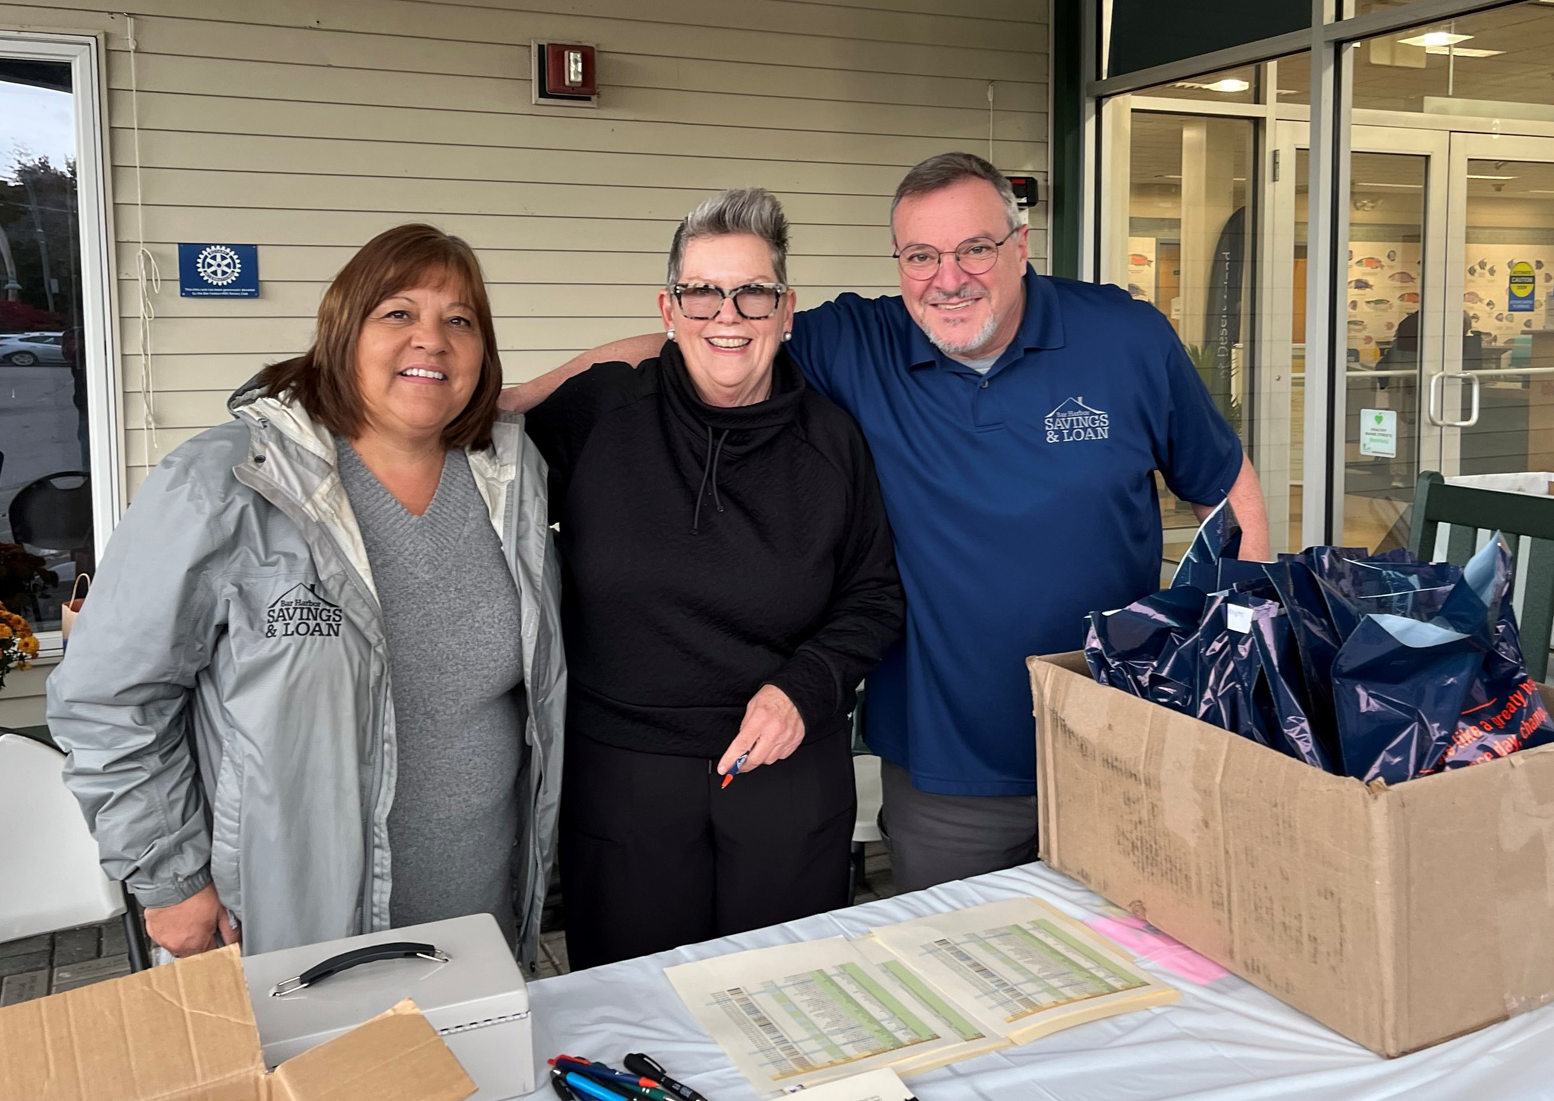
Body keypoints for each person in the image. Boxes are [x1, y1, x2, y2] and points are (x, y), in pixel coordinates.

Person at [503, 153, 1268, 896]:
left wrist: (1238, 657)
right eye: (921, 255)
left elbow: (1224, 484)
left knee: (1131, 979)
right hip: (947, 768)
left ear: (1020, 245)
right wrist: (519, 398)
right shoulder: (859, 343)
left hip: (1121, 746)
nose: (948, 278)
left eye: (974, 249)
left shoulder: (1126, 338)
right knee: (969, 994)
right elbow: (706, 340)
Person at [47, 224, 565, 968]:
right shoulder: (228, 481)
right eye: (398, 314)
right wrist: (168, 878)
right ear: (342, 331)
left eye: (460, 320)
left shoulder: (510, 481)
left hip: (475, 921)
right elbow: (106, 697)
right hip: (285, 927)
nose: (433, 339)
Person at [522, 188, 903, 970]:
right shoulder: (600, 414)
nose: (726, 316)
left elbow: (874, 593)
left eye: (753, 292)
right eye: (702, 292)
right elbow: (478, 491)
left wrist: (808, 684)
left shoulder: (832, 440)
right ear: (669, 307)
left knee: (789, 999)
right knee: (632, 1010)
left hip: (784, 768)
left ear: (786, 309)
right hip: (623, 775)